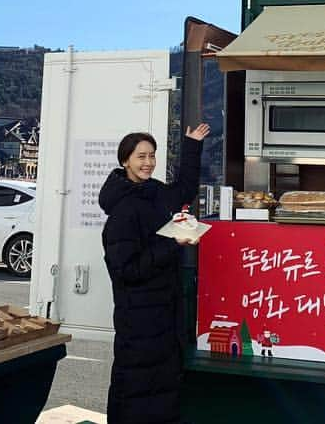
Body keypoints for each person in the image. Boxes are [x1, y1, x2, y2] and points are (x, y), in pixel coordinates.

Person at [99, 122, 210, 424]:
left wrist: (191, 145)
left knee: (162, 388)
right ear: (125, 161)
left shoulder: (154, 193)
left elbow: (184, 190)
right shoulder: (122, 211)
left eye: (152, 156)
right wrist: (173, 244)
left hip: (163, 312)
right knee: (135, 389)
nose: (148, 163)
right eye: (140, 157)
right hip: (138, 318)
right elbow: (126, 270)